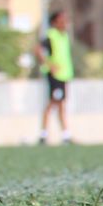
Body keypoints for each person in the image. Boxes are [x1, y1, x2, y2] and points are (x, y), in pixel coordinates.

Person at [37, 9, 75, 145]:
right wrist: (50, 64)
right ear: (54, 22)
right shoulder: (51, 36)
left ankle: (65, 135)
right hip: (55, 76)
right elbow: (38, 50)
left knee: (60, 105)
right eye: (61, 20)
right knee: (53, 104)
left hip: (63, 75)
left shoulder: (64, 36)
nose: (65, 22)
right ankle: (44, 134)